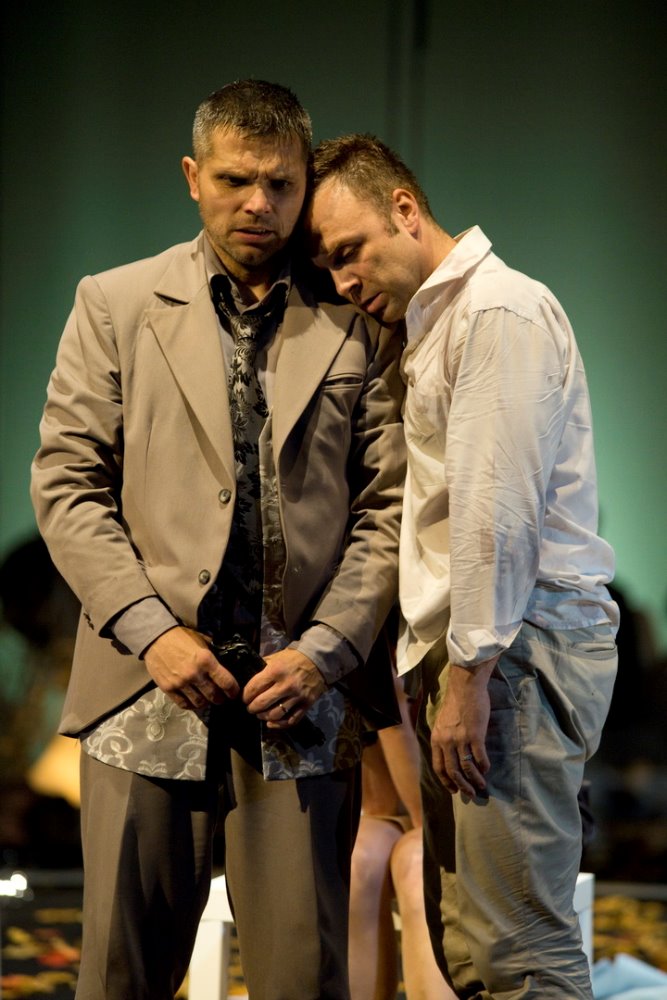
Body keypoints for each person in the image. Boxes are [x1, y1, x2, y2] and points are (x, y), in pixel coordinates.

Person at [30, 85, 406, 1000]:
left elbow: (389, 507)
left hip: (299, 704)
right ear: (193, 177)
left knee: (302, 978)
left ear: (305, 182)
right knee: (120, 976)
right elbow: (67, 485)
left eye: (280, 184)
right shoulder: (117, 303)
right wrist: (149, 630)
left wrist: (326, 650)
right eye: (236, 180)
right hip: (145, 692)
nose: (258, 204)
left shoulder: (355, 313)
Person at [305, 134, 619, 999]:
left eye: (349, 250)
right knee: (475, 949)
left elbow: (496, 513)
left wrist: (471, 672)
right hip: (490, 650)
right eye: (328, 264)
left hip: (516, 647)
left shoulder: (495, 311)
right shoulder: (435, 326)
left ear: (405, 210)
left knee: (517, 950)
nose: (343, 279)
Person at [350, 668, 456, 1000]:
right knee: (355, 858)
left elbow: (427, 816)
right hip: (409, 811)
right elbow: (379, 804)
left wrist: (394, 709)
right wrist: (384, 707)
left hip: (487, 811)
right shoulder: (360, 651)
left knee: (418, 864)